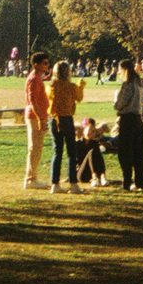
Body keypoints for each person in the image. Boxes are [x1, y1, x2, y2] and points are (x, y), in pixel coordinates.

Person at [47, 61, 86, 194]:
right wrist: (81, 86)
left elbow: (50, 101)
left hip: (54, 119)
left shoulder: (52, 86)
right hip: (67, 118)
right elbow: (79, 97)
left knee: (57, 151)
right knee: (71, 152)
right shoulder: (71, 86)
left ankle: (55, 183)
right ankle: (73, 184)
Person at [113, 59, 143, 190]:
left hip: (127, 119)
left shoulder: (128, 84)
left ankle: (127, 180)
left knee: (125, 152)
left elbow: (121, 103)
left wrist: (116, 104)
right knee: (138, 151)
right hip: (138, 118)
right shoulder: (139, 83)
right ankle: (140, 181)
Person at [23, 52, 51, 190]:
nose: (47, 65)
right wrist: (40, 118)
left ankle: (33, 177)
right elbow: (33, 100)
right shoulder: (34, 79)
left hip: (39, 116)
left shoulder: (38, 78)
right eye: (44, 63)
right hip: (35, 117)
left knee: (37, 147)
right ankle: (30, 179)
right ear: (36, 65)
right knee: (34, 147)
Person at [75, 118, 110, 186]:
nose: (91, 133)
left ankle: (101, 176)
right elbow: (77, 162)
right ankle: (96, 177)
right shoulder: (77, 144)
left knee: (97, 153)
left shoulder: (94, 143)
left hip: (92, 172)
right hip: (81, 172)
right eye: (89, 130)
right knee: (91, 152)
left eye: (93, 131)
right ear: (83, 130)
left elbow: (98, 160)